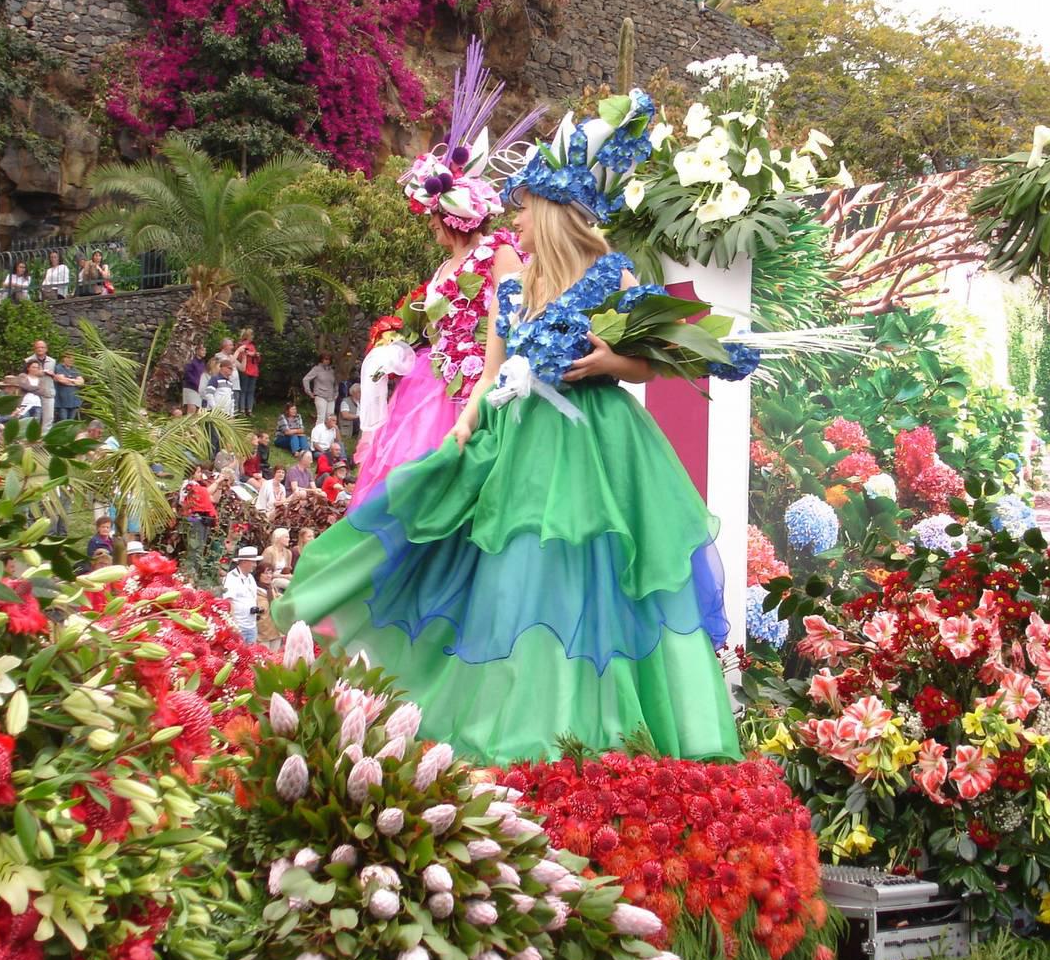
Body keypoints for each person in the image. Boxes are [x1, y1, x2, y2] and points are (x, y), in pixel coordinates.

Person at [273, 91, 741, 765]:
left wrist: (606, 358)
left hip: (601, 445)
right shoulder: (513, 284)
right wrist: (464, 424)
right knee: (516, 574)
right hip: (517, 441)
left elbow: (651, 362)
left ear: (551, 211)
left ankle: (600, 729)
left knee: (596, 574)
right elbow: (494, 369)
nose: (512, 216)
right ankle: (528, 722)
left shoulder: (614, 275)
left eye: (523, 205)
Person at [349, 36, 533, 507]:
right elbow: (433, 324)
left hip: (478, 381)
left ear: (451, 218)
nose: (429, 225)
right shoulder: (445, 263)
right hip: (432, 382)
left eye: (433, 217)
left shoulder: (499, 251)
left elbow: (514, 316)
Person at [223, 546, 263, 644]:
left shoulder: (250, 578)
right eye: (253, 562)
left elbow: (254, 597)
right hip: (239, 627)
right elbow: (228, 603)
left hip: (252, 626)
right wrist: (234, 624)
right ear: (244, 562)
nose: (255, 565)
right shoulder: (231, 578)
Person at [302, 352, 338, 425]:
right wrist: (309, 392)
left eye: (329, 359)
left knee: (330, 417)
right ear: (321, 360)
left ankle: (328, 435)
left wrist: (336, 393)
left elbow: (335, 383)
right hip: (320, 395)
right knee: (321, 417)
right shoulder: (316, 369)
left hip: (331, 397)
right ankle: (317, 435)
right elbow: (305, 379)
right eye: (325, 359)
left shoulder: (332, 370)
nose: (327, 361)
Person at [24, 340, 57, 410]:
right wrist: (38, 373)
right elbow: (23, 376)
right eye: (38, 347)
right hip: (32, 394)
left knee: (48, 418)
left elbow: (56, 377)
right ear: (34, 349)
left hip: (48, 393)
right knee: (33, 418)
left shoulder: (52, 361)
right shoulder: (28, 361)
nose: (40, 349)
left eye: (42, 347)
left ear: (46, 349)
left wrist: (53, 374)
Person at [54, 352, 86, 423]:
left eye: (72, 359)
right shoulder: (58, 368)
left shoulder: (75, 369)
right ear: (64, 358)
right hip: (62, 402)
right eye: (68, 358)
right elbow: (62, 380)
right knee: (64, 422)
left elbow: (81, 382)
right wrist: (75, 381)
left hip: (74, 401)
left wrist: (69, 380)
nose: (71, 360)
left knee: (71, 422)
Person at [235, 327, 260, 416]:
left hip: (253, 370)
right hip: (245, 370)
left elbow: (258, 360)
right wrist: (249, 354)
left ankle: (249, 409)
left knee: (251, 390)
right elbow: (240, 357)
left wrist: (256, 355)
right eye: (251, 335)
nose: (253, 337)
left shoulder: (252, 346)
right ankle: (242, 409)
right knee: (244, 390)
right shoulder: (241, 345)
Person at [181, 343, 208, 413]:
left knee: (197, 409)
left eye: (205, 350)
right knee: (191, 408)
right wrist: (197, 384)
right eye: (202, 350)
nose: (204, 352)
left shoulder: (203, 363)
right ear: (196, 351)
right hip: (190, 387)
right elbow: (188, 374)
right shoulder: (191, 361)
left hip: (199, 389)